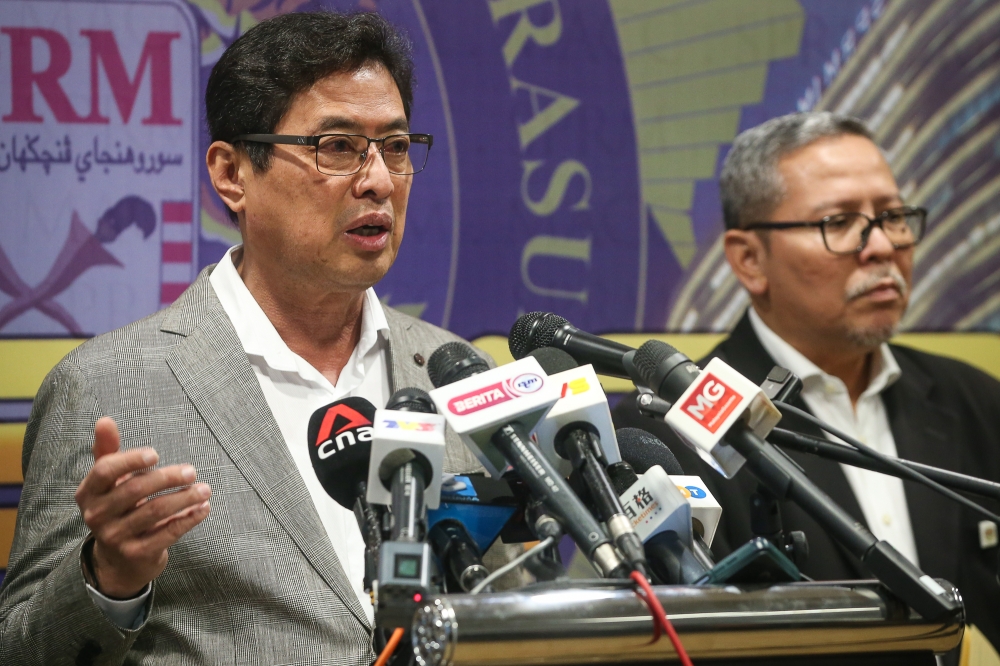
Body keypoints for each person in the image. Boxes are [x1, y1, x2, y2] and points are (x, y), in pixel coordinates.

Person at [0, 12, 495, 664]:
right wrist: (108, 577)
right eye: (338, 147)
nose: (377, 180)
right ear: (232, 174)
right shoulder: (108, 385)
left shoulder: (457, 375)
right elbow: (22, 648)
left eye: (396, 147)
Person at [613, 111, 1000, 648]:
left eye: (893, 216)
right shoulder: (662, 430)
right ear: (749, 260)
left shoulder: (977, 402)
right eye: (839, 223)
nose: (884, 246)